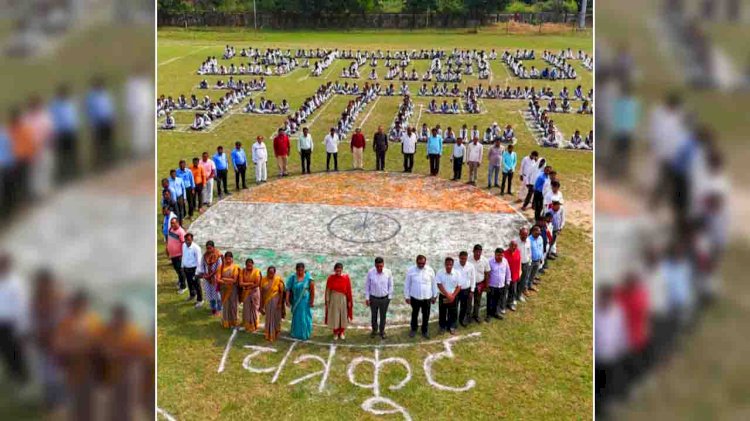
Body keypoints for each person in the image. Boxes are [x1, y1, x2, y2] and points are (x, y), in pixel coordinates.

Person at [49, 84, 79, 182]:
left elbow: (73, 116)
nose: (64, 95)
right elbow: (52, 120)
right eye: (62, 93)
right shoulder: (54, 104)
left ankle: (74, 172)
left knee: (72, 153)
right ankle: (63, 174)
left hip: (71, 131)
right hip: (61, 133)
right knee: (62, 155)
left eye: (65, 93)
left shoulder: (70, 102)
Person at [404, 255, 437, 339]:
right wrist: (406, 296)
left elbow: (434, 284)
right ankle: (414, 329)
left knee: (426, 315)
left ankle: (424, 331)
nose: (421, 265)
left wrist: (435, 295)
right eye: (419, 263)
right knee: (414, 314)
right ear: (416, 262)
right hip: (415, 297)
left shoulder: (430, 270)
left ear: (425, 262)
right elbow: (407, 284)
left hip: (427, 297)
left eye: (423, 263)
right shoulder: (410, 270)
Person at [86, 77, 115, 171]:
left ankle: (109, 160)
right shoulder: (91, 96)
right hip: (97, 123)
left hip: (107, 121)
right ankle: (99, 163)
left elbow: (109, 107)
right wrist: (92, 124)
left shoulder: (105, 94)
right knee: (98, 143)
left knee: (108, 142)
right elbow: (89, 111)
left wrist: (112, 118)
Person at [365, 257, 393, 339]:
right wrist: (367, 298)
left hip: (384, 299)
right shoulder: (370, 272)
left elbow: (391, 285)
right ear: (375, 265)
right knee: (374, 316)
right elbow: (367, 286)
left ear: (383, 264)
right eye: (377, 266)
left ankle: (382, 331)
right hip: (373, 298)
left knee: (383, 316)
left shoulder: (388, 272)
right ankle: (374, 330)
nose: (379, 268)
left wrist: (389, 297)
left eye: (381, 266)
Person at [285, 263, 315, 340]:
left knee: (304, 317)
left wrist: (311, 301)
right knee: (296, 317)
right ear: (296, 270)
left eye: (301, 270)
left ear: (304, 270)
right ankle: (295, 333)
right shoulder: (292, 278)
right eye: (298, 270)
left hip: (305, 302)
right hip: (296, 301)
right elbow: (288, 289)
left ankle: (304, 334)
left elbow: (312, 291)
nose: (300, 272)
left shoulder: (309, 279)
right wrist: (287, 300)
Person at [325, 263, 353, 340]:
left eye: (339, 270)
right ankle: (335, 332)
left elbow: (348, 290)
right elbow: (328, 290)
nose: (338, 272)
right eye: (337, 270)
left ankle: (342, 332)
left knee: (343, 316)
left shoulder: (346, 278)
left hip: (343, 299)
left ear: (342, 270)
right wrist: (327, 300)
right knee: (335, 316)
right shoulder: (331, 278)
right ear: (335, 270)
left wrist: (349, 301)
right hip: (334, 299)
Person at [436, 257, 462, 335]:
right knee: (442, 312)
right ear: (445, 264)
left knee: (453, 312)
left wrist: (453, 296)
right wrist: (447, 295)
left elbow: (459, 286)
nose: (448, 266)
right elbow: (439, 284)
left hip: (454, 296)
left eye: (450, 264)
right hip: (443, 296)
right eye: (447, 264)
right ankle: (442, 327)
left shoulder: (457, 273)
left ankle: (452, 327)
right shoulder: (440, 272)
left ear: (452, 265)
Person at [260, 266, 285, 342]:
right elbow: (261, 293)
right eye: (269, 272)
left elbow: (281, 293)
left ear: (274, 273)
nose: (270, 274)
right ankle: (269, 333)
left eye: (272, 272)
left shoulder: (278, 280)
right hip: (267, 302)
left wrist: (280, 303)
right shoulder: (263, 280)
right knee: (268, 318)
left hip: (276, 302)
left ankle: (276, 332)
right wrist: (261, 305)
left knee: (276, 317)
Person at [486, 248, 511, 321]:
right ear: (495, 254)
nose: (500, 257)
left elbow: (508, 272)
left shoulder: (505, 261)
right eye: (498, 255)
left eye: (501, 255)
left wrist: (508, 281)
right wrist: (487, 285)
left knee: (498, 300)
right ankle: (488, 315)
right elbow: (487, 274)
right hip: (492, 285)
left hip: (501, 285)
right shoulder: (490, 262)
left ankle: (496, 313)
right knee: (490, 301)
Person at [468, 244, 490, 323]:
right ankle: (468, 317)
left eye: (479, 252)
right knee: (469, 301)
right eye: (476, 252)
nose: (478, 254)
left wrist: (486, 285)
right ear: (473, 251)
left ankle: (476, 315)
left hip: (480, 284)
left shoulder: (485, 260)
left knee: (477, 300)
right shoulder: (468, 259)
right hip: (470, 285)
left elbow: (487, 273)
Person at [218, 251, 240, 328]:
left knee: (233, 305)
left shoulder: (235, 267)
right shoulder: (221, 267)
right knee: (225, 304)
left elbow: (234, 280)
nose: (228, 261)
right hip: (223, 289)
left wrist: (223, 279)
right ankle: (226, 321)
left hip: (233, 289)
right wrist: (226, 281)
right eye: (226, 259)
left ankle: (234, 321)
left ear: (232, 259)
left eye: (229, 259)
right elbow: (218, 279)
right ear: (224, 259)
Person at [239, 258, 262, 332]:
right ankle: (247, 324)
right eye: (247, 265)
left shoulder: (257, 272)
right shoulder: (242, 271)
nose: (249, 267)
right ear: (245, 265)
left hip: (254, 293)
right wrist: (250, 284)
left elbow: (257, 283)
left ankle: (254, 324)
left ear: (253, 265)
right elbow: (240, 283)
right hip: (246, 293)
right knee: (246, 308)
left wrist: (248, 286)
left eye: (250, 265)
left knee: (254, 308)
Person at [201, 241, 223, 316]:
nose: (208, 250)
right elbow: (202, 265)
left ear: (213, 247)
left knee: (217, 294)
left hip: (216, 278)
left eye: (210, 248)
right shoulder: (204, 256)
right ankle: (213, 308)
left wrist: (211, 275)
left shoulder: (218, 255)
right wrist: (204, 274)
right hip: (207, 278)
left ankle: (219, 309)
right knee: (209, 293)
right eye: (207, 248)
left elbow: (219, 268)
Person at [181, 233, 203, 306]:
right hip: (186, 268)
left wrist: (197, 272)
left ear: (192, 240)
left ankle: (200, 300)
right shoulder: (183, 245)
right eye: (186, 240)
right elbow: (183, 256)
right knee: (189, 282)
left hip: (194, 269)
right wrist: (182, 266)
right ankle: (192, 295)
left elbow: (199, 261)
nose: (187, 242)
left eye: (189, 240)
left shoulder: (196, 248)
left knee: (196, 284)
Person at [166, 218, 187, 294]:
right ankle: (180, 281)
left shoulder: (181, 232)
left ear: (178, 223)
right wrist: (167, 248)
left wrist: (183, 255)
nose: (172, 224)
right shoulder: (171, 229)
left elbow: (184, 244)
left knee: (180, 271)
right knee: (177, 270)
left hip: (179, 255)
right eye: (171, 223)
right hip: (172, 255)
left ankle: (183, 286)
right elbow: (169, 240)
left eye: (174, 223)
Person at [455, 251, 475, 326]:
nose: (463, 260)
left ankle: (461, 320)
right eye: (461, 258)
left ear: (467, 258)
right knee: (455, 307)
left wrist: (472, 290)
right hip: (456, 290)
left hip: (466, 290)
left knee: (464, 307)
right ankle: (453, 322)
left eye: (465, 259)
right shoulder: (455, 265)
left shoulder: (471, 266)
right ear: (459, 257)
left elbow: (473, 278)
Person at [503, 240, 522, 311]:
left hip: (515, 276)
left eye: (515, 246)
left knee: (512, 291)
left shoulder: (518, 252)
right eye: (512, 246)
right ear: (509, 246)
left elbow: (519, 262)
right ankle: (502, 305)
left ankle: (510, 303)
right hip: (506, 277)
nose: (514, 247)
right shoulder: (504, 254)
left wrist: (519, 273)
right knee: (504, 292)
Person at [527, 225, 544, 294]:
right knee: (527, 275)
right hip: (530, 261)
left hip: (538, 260)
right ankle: (524, 288)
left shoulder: (540, 238)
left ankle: (530, 285)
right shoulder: (528, 240)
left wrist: (541, 257)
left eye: (539, 233)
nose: (538, 235)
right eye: (536, 233)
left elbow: (541, 248)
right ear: (533, 232)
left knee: (533, 274)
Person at [516, 227, 532, 303]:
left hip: (525, 264)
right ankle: (513, 296)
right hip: (517, 265)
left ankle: (519, 295)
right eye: (523, 235)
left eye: (526, 235)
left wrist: (529, 261)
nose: (524, 237)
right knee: (516, 281)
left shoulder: (528, 241)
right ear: (519, 234)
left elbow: (529, 251)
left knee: (523, 280)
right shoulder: (515, 242)